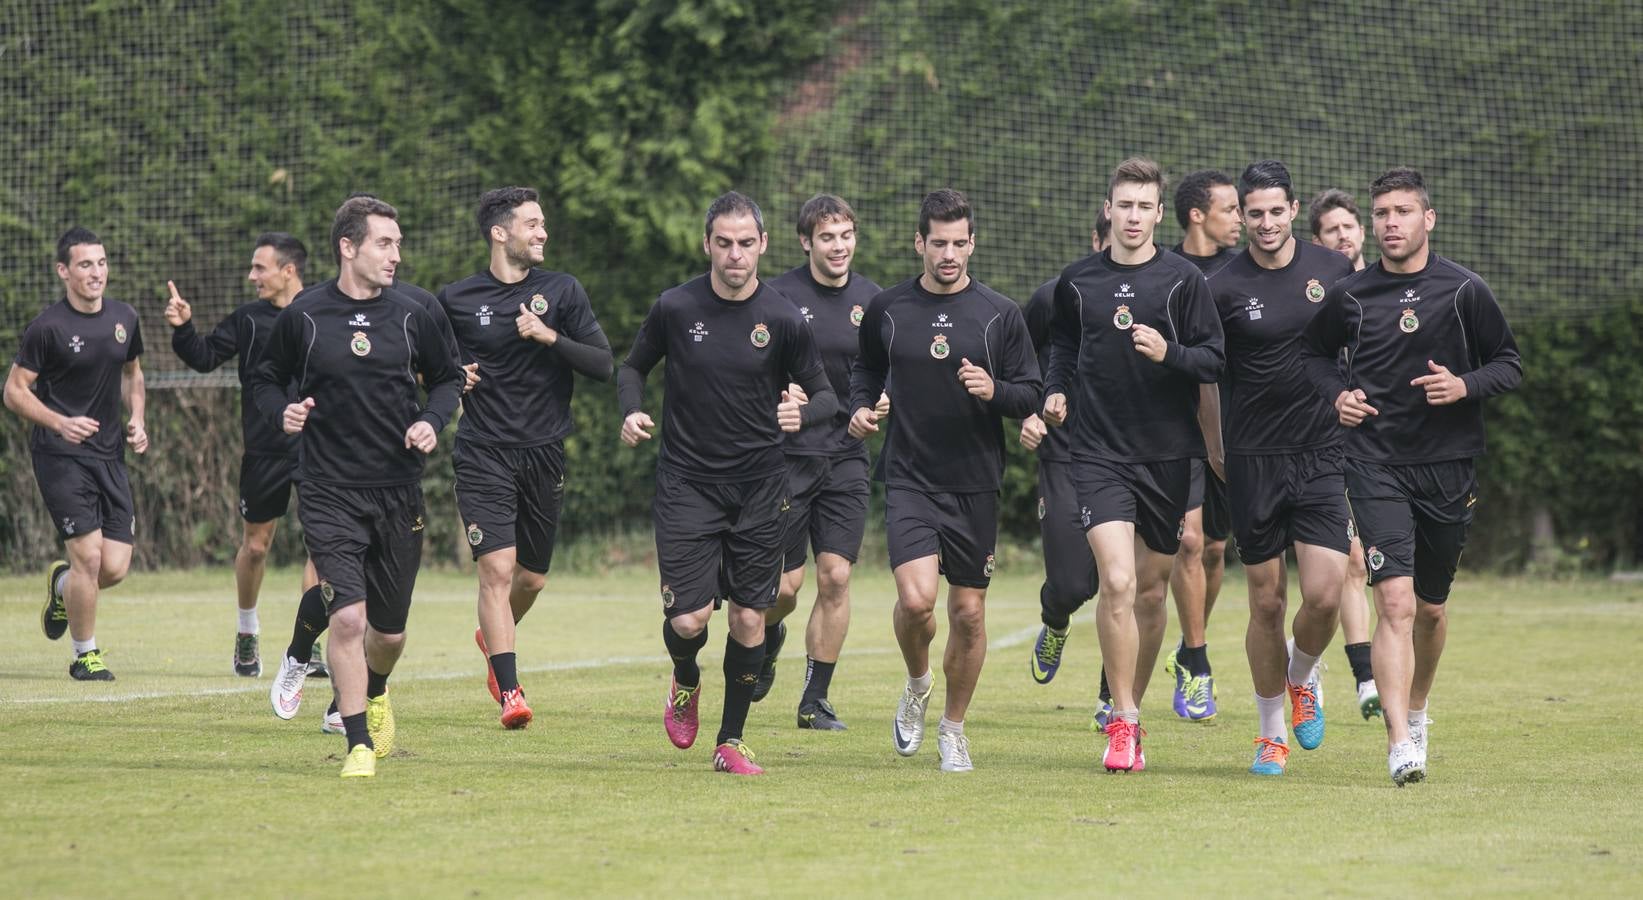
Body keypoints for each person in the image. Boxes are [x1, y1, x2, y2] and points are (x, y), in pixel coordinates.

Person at [1301, 167, 1521, 785]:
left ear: (1428, 219)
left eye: (1403, 212)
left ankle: (1418, 706)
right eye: (1383, 213)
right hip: (1372, 464)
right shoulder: (1350, 294)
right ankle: (1400, 742)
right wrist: (1336, 396)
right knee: (1392, 601)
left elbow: (1509, 363)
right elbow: (1311, 356)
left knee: (1430, 609)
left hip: (1448, 468)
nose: (1391, 222)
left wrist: (1465, 385)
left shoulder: (1464, 290)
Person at [619, 191, 836, 775]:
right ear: (707, 245)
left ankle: (731, 741)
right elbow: (633, 366)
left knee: (747, 617)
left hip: (762, 488)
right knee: (689, 621)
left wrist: (803, 413)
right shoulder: (675, 306)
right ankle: (685, 678)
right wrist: (630, 410)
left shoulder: (785, 318)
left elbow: (825, 395)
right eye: (724, 243)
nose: (735, 254)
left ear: (763, 244)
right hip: (687, 484)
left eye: (746, 243)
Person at [251, 196, 464, 777]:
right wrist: (283, 413)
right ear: (348, 248)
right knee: (347, 619)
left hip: (397, 490)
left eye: (397, 243)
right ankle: (357, 745)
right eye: (384, 243)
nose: (396, 255)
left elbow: (447, 380)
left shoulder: (416, 311)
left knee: (387, 635)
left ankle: (376, 689)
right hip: (326, 487)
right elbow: (267, 380)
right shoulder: (306, 315)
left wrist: (431, 421)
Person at [850, 188, 1041, 772]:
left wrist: (995, 391)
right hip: (909, 476)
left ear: (973, 244)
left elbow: (1030, 391)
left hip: (976, 482)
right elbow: (864, 372)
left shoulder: (1000, 314)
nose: (950, 254)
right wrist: (860, 410)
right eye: (939, 243)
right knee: (916, 601)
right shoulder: (887, 309)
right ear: (920, 244)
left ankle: (953, 728)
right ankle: (916, 684)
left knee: (969, 614)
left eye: (960, 244)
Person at [1044, 158, 1224, 772]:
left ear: (1156, 213)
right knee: (1117, 581)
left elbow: (1213, 359)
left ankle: (1134, 708)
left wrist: (1168, 351)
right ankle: (1122, 720)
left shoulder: (1182, 282)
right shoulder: (1078, 282)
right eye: (1124, 205)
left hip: (1168, 457)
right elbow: (1063, 345)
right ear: (1109, 209)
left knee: (1150, 593)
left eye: (1145, 206)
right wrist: (1056, 387)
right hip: (1097, 453)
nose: (1133, 217)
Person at [440, 186, 612, 729]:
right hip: (483, 451)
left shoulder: (562, 291)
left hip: (544, 453)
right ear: (500, 232)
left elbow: (604, 364)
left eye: (543, 224)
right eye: (532, 224)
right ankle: (511, 691)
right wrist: (452, 376)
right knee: (497, 568)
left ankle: (492, 639)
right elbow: (426, 367)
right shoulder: (456, 299)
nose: (542, 232)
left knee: (531, 580)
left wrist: (548, 336)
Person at [1211, 161, 1357, 776]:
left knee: (1324, 595)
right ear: (1241, 216)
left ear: (1294, 210)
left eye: (1277, 211)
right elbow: (1205, 378)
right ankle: (1271, 733)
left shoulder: (1334, 270)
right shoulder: (1220, 286)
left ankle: (1301, 674)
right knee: (1266, 603)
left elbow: (1357, 351)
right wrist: (1216, 449)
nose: (1266, 223)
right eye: (1254, 213)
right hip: (1253, 458)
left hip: (1322, 453)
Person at [754, 194, 883, 730]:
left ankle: (814, 701)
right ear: (806, 241)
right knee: (784, 587)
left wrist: (879, 401)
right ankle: (765, 637)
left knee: (835, 578)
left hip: (847, 457)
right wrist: (779, 397)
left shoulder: (875, 303)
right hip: (786, 460)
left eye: (846, 235)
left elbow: (885, 372)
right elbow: (747, 369)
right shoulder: (777, 296)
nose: (838, 246)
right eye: (827, 237)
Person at [166, 233, 320, 677]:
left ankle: (306, 646)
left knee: (323, 548)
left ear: (288, 270)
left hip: (317, 449)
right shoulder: (248, 319)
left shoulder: (323, 310)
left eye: (259, 268)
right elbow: (203, 357)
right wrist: (182, 327)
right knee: (256, 546)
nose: (252, 276)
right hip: (264, 451)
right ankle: (247, 632)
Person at [5, 227, 148, 681]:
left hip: (110, 458)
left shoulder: (124, 317)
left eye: (101, 263)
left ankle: (63, 586)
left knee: (114, 567)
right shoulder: (47, 328)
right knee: (88, 556)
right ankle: (85, 654)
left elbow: (133, 374)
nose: (96, 272)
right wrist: (59, 422)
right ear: (63, 271)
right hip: (60, 456)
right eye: (85, 264)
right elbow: (14, 391)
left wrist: (138, 418)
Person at [1023, 210, 1109, 723]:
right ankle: (1055, 621)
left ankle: (1111, 700)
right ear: (1095, 240)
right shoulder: (1052, 297)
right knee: (1076, 585)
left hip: (1129, 458)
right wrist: (1031, 412)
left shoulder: (1154, 294)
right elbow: (1017, 364)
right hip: (1064, 456)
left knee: (1123, 585)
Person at [1162, 169, 1242, 721]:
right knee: (1188, 544)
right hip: (1176, 428)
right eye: (1231, 209)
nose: (1241, 219)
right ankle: (1197, 661)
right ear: (1197, 215)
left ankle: (1192, 639)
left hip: (1239, 430)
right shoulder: (1165, 270)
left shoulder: (1247, 271)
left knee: (1215, 548)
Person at [1309, 187, 1381, 716]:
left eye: (1348, 226)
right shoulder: (1321, 296)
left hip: (1383, 443)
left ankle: (1308, 657)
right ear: (1318, 240)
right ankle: (1365, 678)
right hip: (1323, 443)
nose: (1342, 235)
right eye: (1331, 229)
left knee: (1379, 568)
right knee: (1351, 561)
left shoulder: (1388, 289)